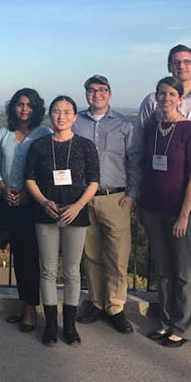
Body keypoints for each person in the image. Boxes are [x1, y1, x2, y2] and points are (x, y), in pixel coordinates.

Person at [135, 44, 191, 333]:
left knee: (190, 248)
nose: (181, 66)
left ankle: (187, 314)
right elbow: (143, 143)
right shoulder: (151, 104)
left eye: (186, 62)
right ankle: (170, 312)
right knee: (165, 258)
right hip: (157, 193)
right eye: (175, 62)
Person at [25, 95, 99, 346]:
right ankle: (49, 325)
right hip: (45, 212)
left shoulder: (86, 146)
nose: (61, 116)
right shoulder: (39, 145)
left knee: (71, 271)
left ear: (75, 117)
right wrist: (44, 201)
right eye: (57, 111)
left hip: (75, 213)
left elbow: (94, 181)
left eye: (67, 111)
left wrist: (79, 205)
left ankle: (69, 325)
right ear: (50, 115)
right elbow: (30, 179)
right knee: (47, 270)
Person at [73, 76, 141, 334]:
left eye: (102, 90)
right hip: (83, 197)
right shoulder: (76, 121)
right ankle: (96, 302)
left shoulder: (124, 125)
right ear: (86, 94)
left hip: (116, 197)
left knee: (117, 255)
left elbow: (134, 161)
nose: (97, 94)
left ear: (110, 94)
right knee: (90, 254)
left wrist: (133, 194)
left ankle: (116, 306)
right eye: (91, 90)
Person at [140, 76, 191, 348]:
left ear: (180, 98)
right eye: (161, 94)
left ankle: (183, 326)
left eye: (171, 94)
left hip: (180, 212)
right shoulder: (152, 128)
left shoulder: (190, 131)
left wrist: (184, 215)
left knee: (183, 272)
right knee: (163, 271)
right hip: (153, 209)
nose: (165, 98)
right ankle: (166, 322)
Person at [0, 88, 51, 333]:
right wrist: (2, 186)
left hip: (32, 204)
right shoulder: (3, 133)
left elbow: (47, 170)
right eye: (20, 104)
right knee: (15, 255)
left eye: (29, 105)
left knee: (30, 257)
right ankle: (23, 304)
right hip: (7, 201)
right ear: (12, 107)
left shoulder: (44, 134)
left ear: (36, 109)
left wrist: (29, 193)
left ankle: (31, 310)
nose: (24, 109)